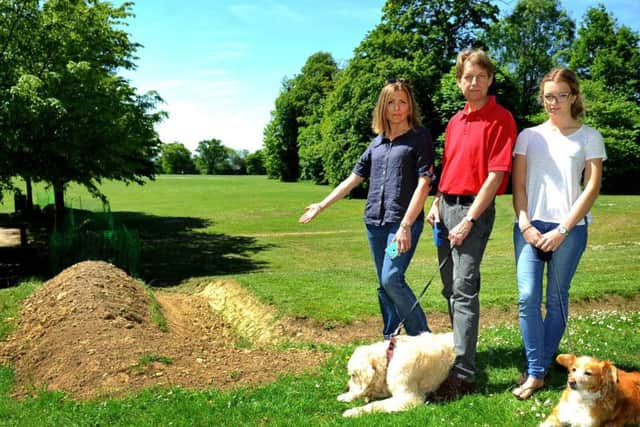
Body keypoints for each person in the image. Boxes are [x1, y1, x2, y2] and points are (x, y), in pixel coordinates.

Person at [299, 79, 435, 340]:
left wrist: (406, 226)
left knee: (391, 278)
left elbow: (424, 184)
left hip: (400, 226)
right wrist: (321, 205)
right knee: (384, 285)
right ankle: (391, 339)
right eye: (391, 102)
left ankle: (423, 338)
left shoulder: (419, 138)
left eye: (402, 102)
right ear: (383, 107)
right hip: (375, 225)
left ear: (410, 106)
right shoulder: (377, 143)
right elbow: (353, 179)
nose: (397, 108)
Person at [426, 48, 517, 401]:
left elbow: (496, 175)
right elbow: (448, 166)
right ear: (459, 81)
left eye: (480, 76)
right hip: (444, 206)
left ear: (490, 79)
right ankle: (457, 354)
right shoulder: (454, 121)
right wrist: (436, 203)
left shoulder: (501, 118)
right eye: (467, 77)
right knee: (449, 289)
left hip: (472, 211)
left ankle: (463, 375)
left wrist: (469, 219)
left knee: (464, 290)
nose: (474, 82)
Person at [511, 68, 606, 400]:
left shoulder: (589, 136)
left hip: (571, 229)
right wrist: (525, 224)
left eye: (560, 95)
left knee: (556, 299)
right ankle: (539, 367)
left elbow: (592, 188)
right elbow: (518, 185)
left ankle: (535, 371)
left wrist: (564, 229)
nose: (553, 102)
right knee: (527, 297)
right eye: (548, 96)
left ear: (573, 96)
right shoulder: (528, 136)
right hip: (529, 227)